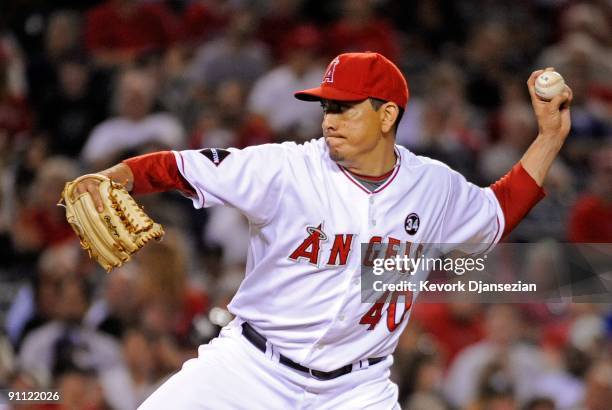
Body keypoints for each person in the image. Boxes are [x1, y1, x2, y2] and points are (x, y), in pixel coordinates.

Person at [70, 52, 573, 409]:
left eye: (344, 106)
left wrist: (550, 138)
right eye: (326, 106)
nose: (329, 118)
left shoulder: (432, 186)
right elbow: (180, 166)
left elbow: (498, 211)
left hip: (357, 390)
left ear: (388, 115)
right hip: (251, 368)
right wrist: (117, 176)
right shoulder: (285, 168)